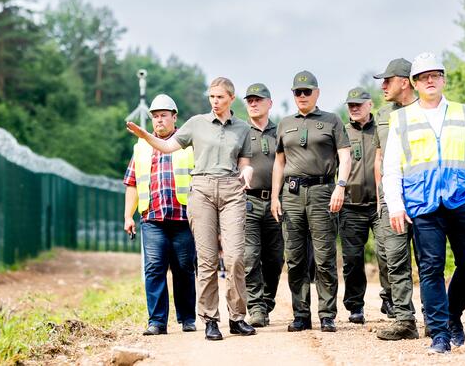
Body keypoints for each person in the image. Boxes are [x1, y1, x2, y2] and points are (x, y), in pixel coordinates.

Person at [126, 77, 255, 341]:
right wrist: (145, 135)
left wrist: (247, 172)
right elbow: (167, 146)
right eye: (211, 97)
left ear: (231, 98)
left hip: (231, 190)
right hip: (202, 190)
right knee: (206, 261)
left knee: (234, 258)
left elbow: (245, 161)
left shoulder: (242, 128)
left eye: (220, 97)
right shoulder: (196, 124)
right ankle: (210, 319)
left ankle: (237, 317)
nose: (215, 102)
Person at [382, 52, 465, 354]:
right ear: (415, 83)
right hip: (422, 204)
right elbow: (391, 166)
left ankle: (452, 314)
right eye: (423, 77)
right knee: (431, 268)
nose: (430, 80)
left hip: (461, 201)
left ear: (443, 79)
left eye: (435, 75)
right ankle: (440, 334)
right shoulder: (401, 119)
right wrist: (395, 204)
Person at [271, 70, 351, 333]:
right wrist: (275, 196)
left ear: (317, 93)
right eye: (297, 92)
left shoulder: (332, 121)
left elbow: (346, 156)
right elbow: (279, 163)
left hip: (323, 192)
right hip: (292, 195)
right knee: (295, 258)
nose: (302, 96)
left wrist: (340, 186)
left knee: (324, 257)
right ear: (293, 95)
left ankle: (327, 314)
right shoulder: (284, 123)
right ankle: (301, 315)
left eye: (307, 92)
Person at [123, 94, 197, 335]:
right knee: (154, 268)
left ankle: (187, 318)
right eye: (155, 117)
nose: (159, 121)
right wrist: (128, 216)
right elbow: (132, 182)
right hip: (152, 219)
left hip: (183, 218)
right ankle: (156, 322)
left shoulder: (188, 144)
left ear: (175, 118)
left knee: (184, 268)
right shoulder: (142, 147)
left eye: (164, 116)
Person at [370, 58, 421, 341]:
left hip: (422, 194)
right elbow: (379, 157)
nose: (383, 86)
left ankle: (438, 319)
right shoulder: (382, 114)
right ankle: (405, 320)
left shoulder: (425, 110)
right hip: (391, 196)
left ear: (405, 81)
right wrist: (382, 196)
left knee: (428, 260)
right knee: (395, 258)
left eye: (388, 80)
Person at [338, 87, 391, 324]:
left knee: (387, 254)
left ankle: (389, 299)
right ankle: (355, 305)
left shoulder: (381, 129)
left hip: (380, 204)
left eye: (359, 104)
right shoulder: (341, 133)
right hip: (350, 206)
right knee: (352, 259)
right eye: (351, 105)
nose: (354, 108)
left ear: (370, 104)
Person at [242, 83, 284, 328]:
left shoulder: (280, 132)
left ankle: (267, 300)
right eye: (250, 100)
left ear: (270, 103)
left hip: (276, 202)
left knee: (275, 258)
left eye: (258, 99)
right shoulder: (240, 131)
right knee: (250, 256)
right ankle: (256, 306)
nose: (253, 103)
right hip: (247, 201)